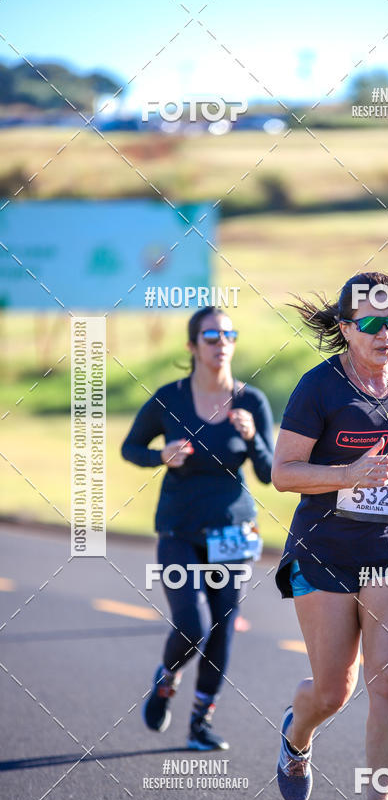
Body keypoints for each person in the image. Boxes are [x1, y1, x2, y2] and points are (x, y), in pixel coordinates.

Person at [271, 272, 388, 800]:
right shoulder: (318, 388)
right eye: (372, 322)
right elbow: (284, 473)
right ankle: (297, 738)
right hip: (324, 554)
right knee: (332, 691)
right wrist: (345, 475)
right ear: (345, 327)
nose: (385, 333)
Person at [121, 307, 274, 751]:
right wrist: (160, 455)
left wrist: (253, 439)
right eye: (210, 336)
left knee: (223, 627)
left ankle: (200, 722)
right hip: (179, 529)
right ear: (192, 347)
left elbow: (268, 473)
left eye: (229, 334)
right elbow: (131, 447)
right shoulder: (170, 397)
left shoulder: (252, 402)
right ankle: (166, 680)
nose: (221, 342)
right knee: (193, 624)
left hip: (231, 530)